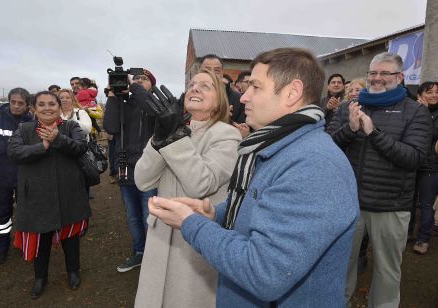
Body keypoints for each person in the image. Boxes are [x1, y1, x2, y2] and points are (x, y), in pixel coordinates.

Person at [147, 48, 359, 307]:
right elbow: (259, 209)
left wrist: (192, 224)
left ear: (292, 92)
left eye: (255, 87)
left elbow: (265, 272)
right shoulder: (277, 147)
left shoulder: (314, 165)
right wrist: (216, 214)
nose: (244, 96)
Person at [326, 52, 432, 307]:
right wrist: (349, 129)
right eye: (373, 73)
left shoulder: (415, 111)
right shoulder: (347, 107)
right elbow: (326, 149)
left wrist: (374, 133)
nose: (377, 78)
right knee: (341, 264)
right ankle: (338, 302)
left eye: (385, 73)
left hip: (390, 206)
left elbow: (414, 158)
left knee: (387, 271)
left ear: (400, 77)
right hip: (348, 204)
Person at [134, 69, 241, 308]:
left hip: (193, 241)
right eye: (192, 84)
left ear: (219, 102)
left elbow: (200, 184)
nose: (195, 88)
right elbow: (142, 180)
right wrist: (158, 140)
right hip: (161, 234)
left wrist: (172, 138)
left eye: (205, 86)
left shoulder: (227, 135)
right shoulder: (173, 127)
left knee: (185, 299)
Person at [7, 91, 91, 299]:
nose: (47, 108)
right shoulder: (24, 129)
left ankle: (73, 272)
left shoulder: (71, 127)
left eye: (51, 104)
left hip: (69, 192)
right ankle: (40, 278)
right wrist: (41, 146)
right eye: (41, 104)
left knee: (70, 238)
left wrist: (58, 139)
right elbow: (14, 153)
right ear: (33, 109)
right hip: (36, 195)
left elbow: (81, 148)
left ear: (59, 107)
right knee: (41, 239)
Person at [103, 69, 158, 272]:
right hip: (126, 168)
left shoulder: (155, 102)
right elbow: (110, 127)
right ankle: (140, 253)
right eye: (135, 79)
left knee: (148, 216)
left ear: (152, 85)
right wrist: (112, 96)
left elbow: (154, 111)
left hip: (150, 170)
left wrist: (134, 88)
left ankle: (154, 255)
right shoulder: (124, 103)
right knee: (133, 216)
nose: (138, 81)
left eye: (144, 79)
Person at [0, 88, 33, 265]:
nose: (15, 106)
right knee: (0, 215)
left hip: (25, 176)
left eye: (20, 103)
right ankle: (0, 248)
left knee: (26, 212)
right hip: (0, 177)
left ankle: (24, 244)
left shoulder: (33, 123)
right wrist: (17, 145)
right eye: (13, 102)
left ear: (27, 105)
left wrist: (3, 146)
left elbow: (32, 150)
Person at [409, 81, 438, 255]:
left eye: (437, 92)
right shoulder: (413, 109)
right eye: (430, 92)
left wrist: (424, 113)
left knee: (426, 204)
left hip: (431, 165)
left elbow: (431, 134)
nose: (434, 95)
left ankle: (423, 239)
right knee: (408, 202)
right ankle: (407, 232)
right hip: (412, 162)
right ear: (420, 95)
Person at [199, 54, 245, 124]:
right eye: (207, 70)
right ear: (199, 73)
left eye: (217, 71)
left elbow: (241, 128)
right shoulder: (190, 97)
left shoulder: (237, 99)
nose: (212, 74)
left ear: (222, 74)